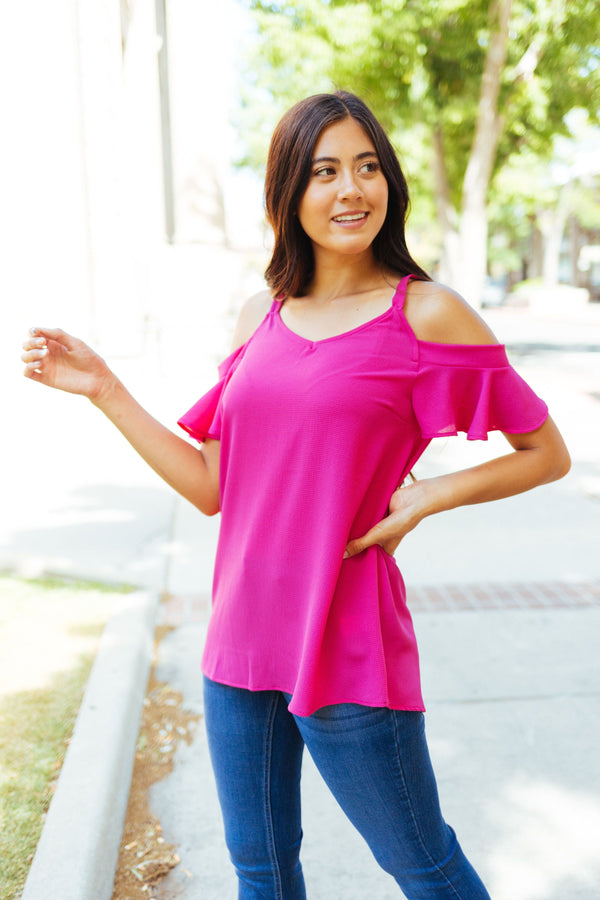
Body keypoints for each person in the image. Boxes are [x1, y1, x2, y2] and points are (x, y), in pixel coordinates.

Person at [22, 91, 570, 899]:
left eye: (367, 167)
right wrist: (105, 389)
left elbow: (545, 453)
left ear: (388, 183)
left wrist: (429, 496)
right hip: (239, 650)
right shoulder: (261, 316)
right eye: (324, 171)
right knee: (263, 877)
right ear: (289, 191)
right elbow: (212, 487)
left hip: (347, 647)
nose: (351, 189)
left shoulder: (427, 314)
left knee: (426, 869)